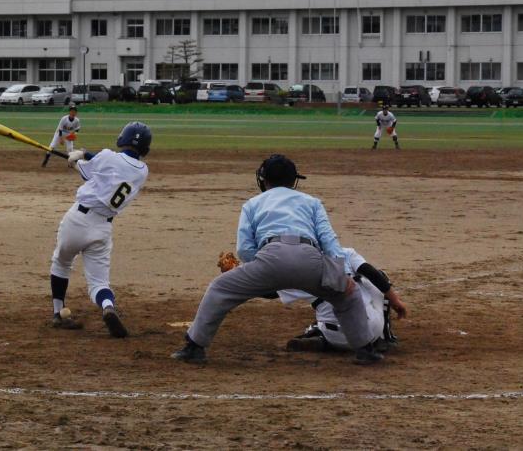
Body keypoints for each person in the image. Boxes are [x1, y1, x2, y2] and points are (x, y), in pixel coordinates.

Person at [172, 154, 384, 365]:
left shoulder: (252, 203)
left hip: (270, 256)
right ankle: (366, 351)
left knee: (219, 290)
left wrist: (258, 268)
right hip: (309, 258)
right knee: (348, 297)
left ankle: (194, 347)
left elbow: (244, 248)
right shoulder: (312, 202)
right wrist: (342, 274)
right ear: (294, 181)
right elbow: (329, 241)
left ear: (263, 179)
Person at [48, 122, 151, 337]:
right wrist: (84, 155)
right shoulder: (142, 171)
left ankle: (58, 313)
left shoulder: (107, 156)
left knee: (62, 262)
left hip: (77, 220)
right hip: (103, 229)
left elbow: (87, 170)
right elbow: (107, 167)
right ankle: (107, 306)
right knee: (99, 283)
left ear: (122, 138)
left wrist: (78, 157)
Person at [279, 247, 407, 353]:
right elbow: (371, 272)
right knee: (380, 276)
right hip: (368, 332)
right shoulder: (345, 253)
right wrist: (395, 300)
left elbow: (272, 290)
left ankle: (320, 338)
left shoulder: (302, 267)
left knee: (325, 313)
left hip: (332, 335)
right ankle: (383, 338)